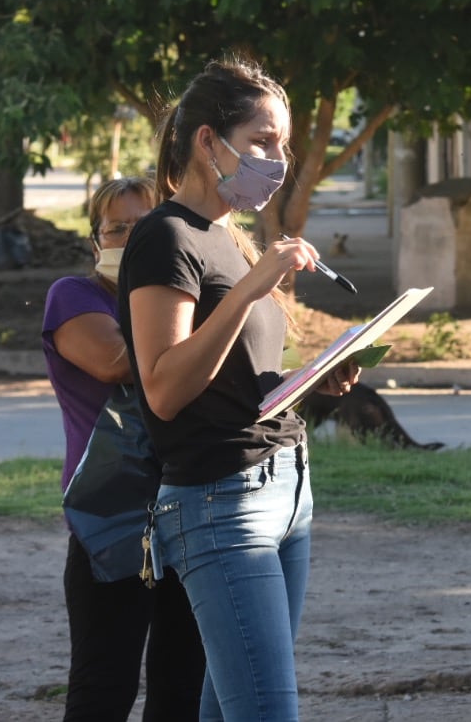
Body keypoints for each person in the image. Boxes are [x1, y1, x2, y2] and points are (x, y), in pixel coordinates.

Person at [118, 56, 360, 721]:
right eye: (263, 140)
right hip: (221, 503)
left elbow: (235, 381)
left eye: (281, 142)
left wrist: (310, 380)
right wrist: (256, 286)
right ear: (207, 140)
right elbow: (164, 387)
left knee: (233, 708)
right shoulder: (164, 237)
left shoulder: (229, 237)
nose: (278, 157)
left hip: (287, 489)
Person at [42, 176, 205, 720]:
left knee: (182, 684)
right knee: (104, 687)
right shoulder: (73, 296)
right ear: (96, 243)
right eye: (117, 229)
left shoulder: (191, 300)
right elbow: (117, 364)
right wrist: (179, 323)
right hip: (110, 519)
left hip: (189, 506)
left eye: (145, 227)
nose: (131, 239)